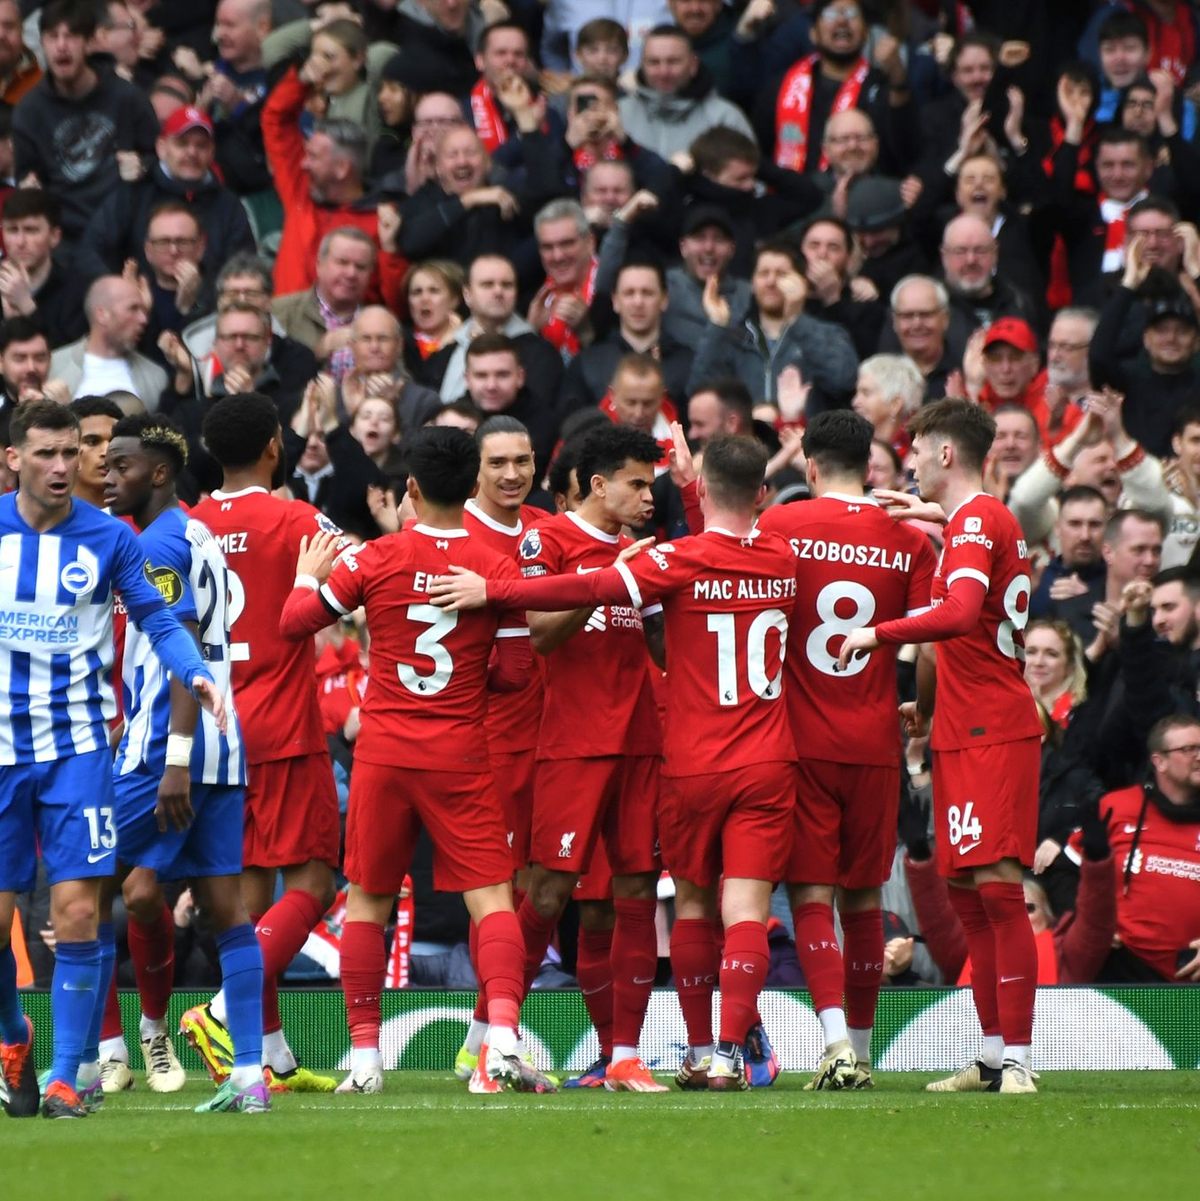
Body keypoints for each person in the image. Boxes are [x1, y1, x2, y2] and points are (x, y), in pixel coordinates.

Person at [432, 431, 798, 1091]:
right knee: (547, 892)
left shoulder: (658, 557)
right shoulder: (550, 545)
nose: (647, 494)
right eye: (635, 483)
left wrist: (649, 589)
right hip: (571, 742)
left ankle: (623, 1053)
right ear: (597, 485)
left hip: (644, 744)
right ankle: (489, 1033)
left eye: (651, 482)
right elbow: (541, 634)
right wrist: (614, 582)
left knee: (633, 894)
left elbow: (664, 642)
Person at [278, 425, 556, 1096]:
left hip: (383, 751)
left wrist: (303, 577)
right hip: (459, 750)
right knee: (491, 899)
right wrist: (468, 682)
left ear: (410, 488)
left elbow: (293, 623)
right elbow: (518, 675)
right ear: (473, 487)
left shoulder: (376, 557)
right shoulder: (497, 565)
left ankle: (367, 1058)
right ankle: (502, 1045)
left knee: (370, 901)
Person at [0, 399, 224, 1120]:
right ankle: (14, 1035)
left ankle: (66, 1076)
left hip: (78, 750)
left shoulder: (111, 539)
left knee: (75, 910)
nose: (65, 466)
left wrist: (193, 670)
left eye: (73, 452)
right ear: (14, 459)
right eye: (47, 454)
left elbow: (160, 617)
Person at [839, 398, 1043, 1096]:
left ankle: (1017, 1055)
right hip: (960, 726)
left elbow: (957, 614)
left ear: (947, 454)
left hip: (996, 727)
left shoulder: (979, 519)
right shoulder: (972, 521)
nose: (913, 461)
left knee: (1000, 892)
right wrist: (933, 517)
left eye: (919, 450)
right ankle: (990, 1055)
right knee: (968, 897)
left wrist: (880, 633)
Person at [751, 410, 936, 1089]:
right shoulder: (909, 543)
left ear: (810, 466)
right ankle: (859, 1046)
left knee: (810, 897)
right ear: (873, 467)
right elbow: (924, 643)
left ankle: (838, 1048)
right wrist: (921, 706)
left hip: (799, 741)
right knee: (863, 903)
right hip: (874, 742)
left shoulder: (779, 527)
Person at [102, 413, 267, 1114]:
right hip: (222, 746)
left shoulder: (162, 543)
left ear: (160, 472)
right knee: (229, 913)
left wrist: (173, 759)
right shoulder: (195, 530)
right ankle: (249, 1076)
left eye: (122, 466)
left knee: (78, 885)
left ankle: (81, 1060)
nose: (110, 478)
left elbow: (185, 650)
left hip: (166, 748)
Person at [183, 393, 343, 1096]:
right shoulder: (298, 520)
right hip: (282, 730)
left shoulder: (186, 527)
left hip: (213, 729)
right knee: (313, 880)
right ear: (276, 446)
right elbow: (361, 577)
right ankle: (219, 1011)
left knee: (244, 898)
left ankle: (267, 1050)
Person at [449, 415, 549, 1081]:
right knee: (498, 887)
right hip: (483, 737)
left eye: (523, 460)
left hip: (550, 729)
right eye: (498, 463)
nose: (512, 474)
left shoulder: (547, 529)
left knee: (544, 885)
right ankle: (487, 1034)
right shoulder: (452, 532)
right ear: (475, 470)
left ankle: (488, 1029)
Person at [12, 0, 158, 242]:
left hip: (127, 233)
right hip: (66, 240)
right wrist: (30, 190)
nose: (61, 46)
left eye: (71, 36)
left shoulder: (127, 97)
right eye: (52, 36)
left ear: (89, 43)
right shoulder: (29, 111)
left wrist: (143, 165)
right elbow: (28, 180)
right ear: (42, 44)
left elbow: (161, 158)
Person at [77, 104, 255, 286]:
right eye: (182, 143)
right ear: (161, 147)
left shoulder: (229, 205)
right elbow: (90, 250)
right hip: (137, 307)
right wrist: (118, 292)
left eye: (201, 145)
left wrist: (202, 294)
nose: (192, 153)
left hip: (209, 309)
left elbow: (244, 271)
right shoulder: (134, 193)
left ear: (212, 152)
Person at [690, 239, 858, 412]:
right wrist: (717, 326)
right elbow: (700, 395)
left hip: (805, 437)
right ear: (752, 283)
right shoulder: (733, 337)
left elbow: (843, 381)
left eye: (781, 274)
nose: (771, 281)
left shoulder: (829, 333)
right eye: (763, 273)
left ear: (803, 282)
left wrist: (797, 321)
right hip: (745, 438)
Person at [1096, 713, 1200, 983]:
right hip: (1122, 968)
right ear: (1159, 761)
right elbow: (1072, 872)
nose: (1199, 756)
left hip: (1192, 973)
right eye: (1189, 750)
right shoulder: (1117, 806)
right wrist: (1089, 927)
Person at [616, 24, 755, 162]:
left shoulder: (724, 118)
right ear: (642, 64)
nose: (663, 72)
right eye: (654, 62)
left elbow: (749, 177)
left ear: (693, 64)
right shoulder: (618, 115)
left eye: (673, 62)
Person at [49, 275, 167, 406]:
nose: (144, 319)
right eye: (133, 309)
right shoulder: (53, 366)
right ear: (102, 314)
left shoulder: (155, 377)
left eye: (144, 311)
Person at [0, 188, 87, 348]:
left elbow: (71, 359)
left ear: (55, 237)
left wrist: (27, 307)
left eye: (31, 230)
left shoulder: (77, 290)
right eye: (12, 230)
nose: (21, 241)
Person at [69, 395, 121, 509]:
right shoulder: (44, 520)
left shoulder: (145, 521)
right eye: (93, 442)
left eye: (114, 441)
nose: (107, 451)